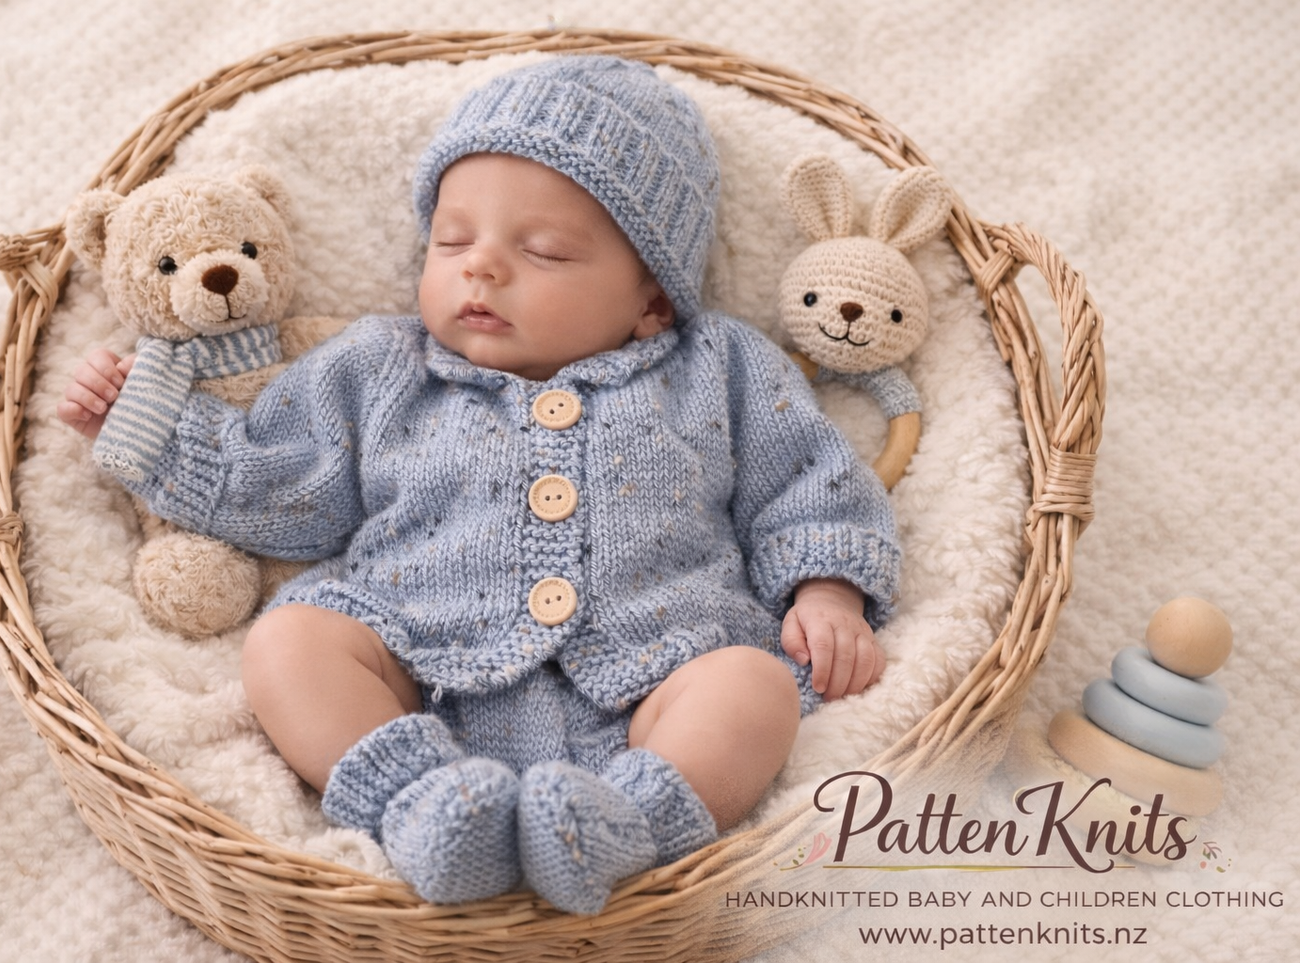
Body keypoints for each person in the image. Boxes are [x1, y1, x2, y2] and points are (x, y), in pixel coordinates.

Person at [59, 55, 900, 914]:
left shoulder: (716, 366)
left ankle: (627, 824)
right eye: (452, 240)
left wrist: (825, 589)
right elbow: (282, 484)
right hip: (418, 663)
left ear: (652, 297)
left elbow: (807, 477)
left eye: (542, 251)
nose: (480, 268)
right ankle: (421, 806)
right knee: (291, 640)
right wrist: (148, 423)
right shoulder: (380, 366)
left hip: (659, 672)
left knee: (751, 688)